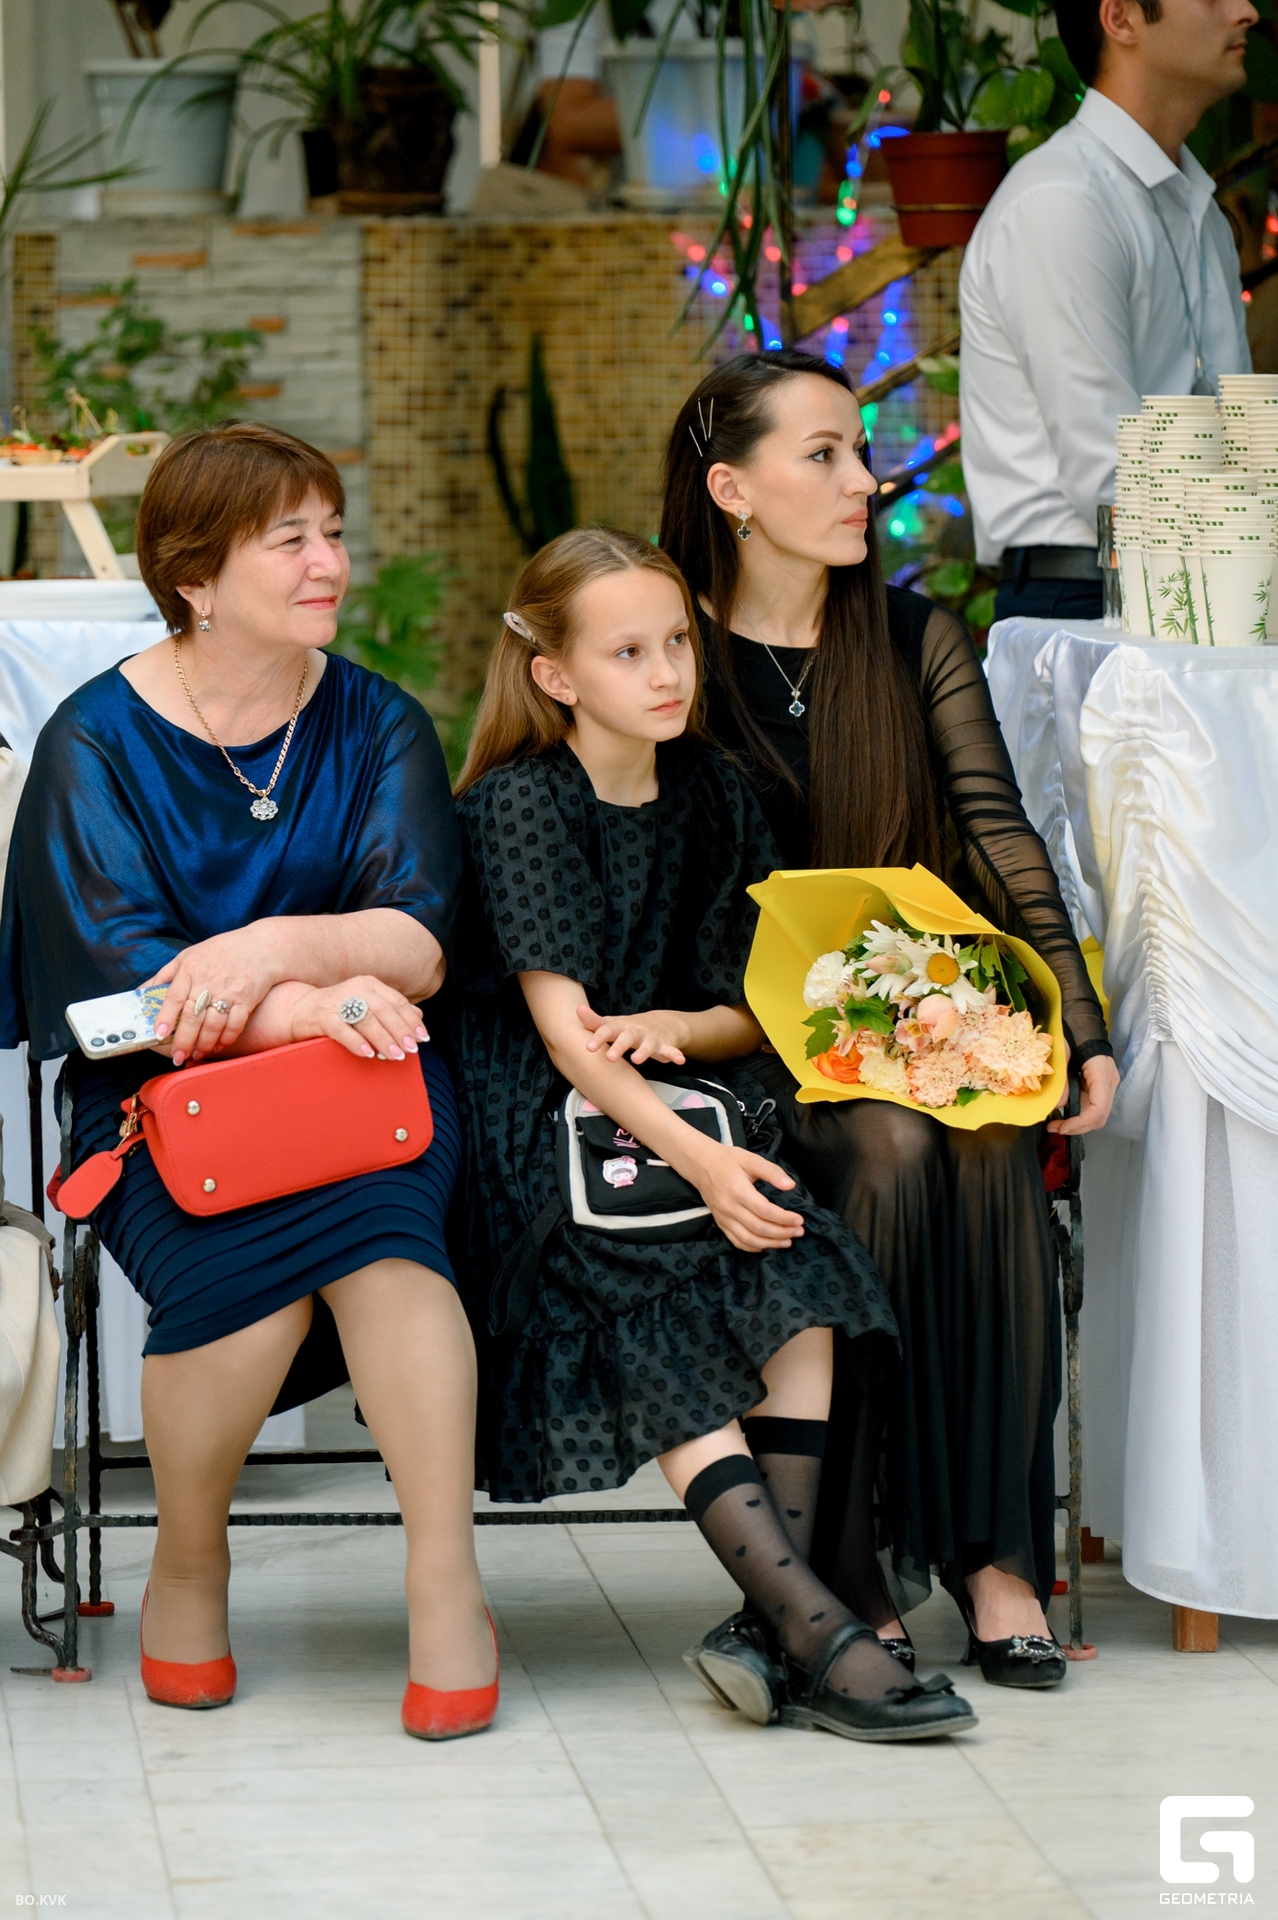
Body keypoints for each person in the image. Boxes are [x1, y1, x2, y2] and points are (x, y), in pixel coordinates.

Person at [0, 423, 496, 1740]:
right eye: (291, 541)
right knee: (253, 1285)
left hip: (365, 1080)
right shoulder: (95, 743)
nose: (330, 561)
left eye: (332, 531)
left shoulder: (377, 720)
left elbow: (418, 941)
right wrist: (309, 1001)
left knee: (390, 1247)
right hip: (153, 1097)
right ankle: (189, 1559)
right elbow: (114, 997)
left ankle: (445, 1580)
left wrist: (276, 952)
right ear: (195, 580)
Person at [453, 525, 975, 1742]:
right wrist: (702, 1161)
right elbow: (565, 1036)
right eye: (627, 652)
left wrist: (679, 1030)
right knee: (658, 1299)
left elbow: (754, 1007)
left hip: (679, 1098)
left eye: (677, 643)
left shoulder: (711, 790)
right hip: (542, 1129)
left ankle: (781, 1623)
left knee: (797, 1273)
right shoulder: (523, 803)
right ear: (556, 675)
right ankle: (821, 1635)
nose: (667, 672)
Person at [661, 350, 1121, 1692]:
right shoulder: (670, 650)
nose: (864, 481)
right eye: (824, 456)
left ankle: (994, 1558)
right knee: (889, 1147)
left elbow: (993, 832)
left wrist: (1075, 1021)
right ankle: (853, 1567)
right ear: (733, 490)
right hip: (738, 1038)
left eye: (858, 451)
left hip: (902, 1017)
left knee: (987, 1137)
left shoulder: (911, 635)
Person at [960, 0, 1255, 623]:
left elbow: (1238, 432)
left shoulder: (1197, 209)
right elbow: (1112, 468)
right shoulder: (1064, 201)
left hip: (1202, 581)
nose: (1247, 11)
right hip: (1082, 598)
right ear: (1121, 19)